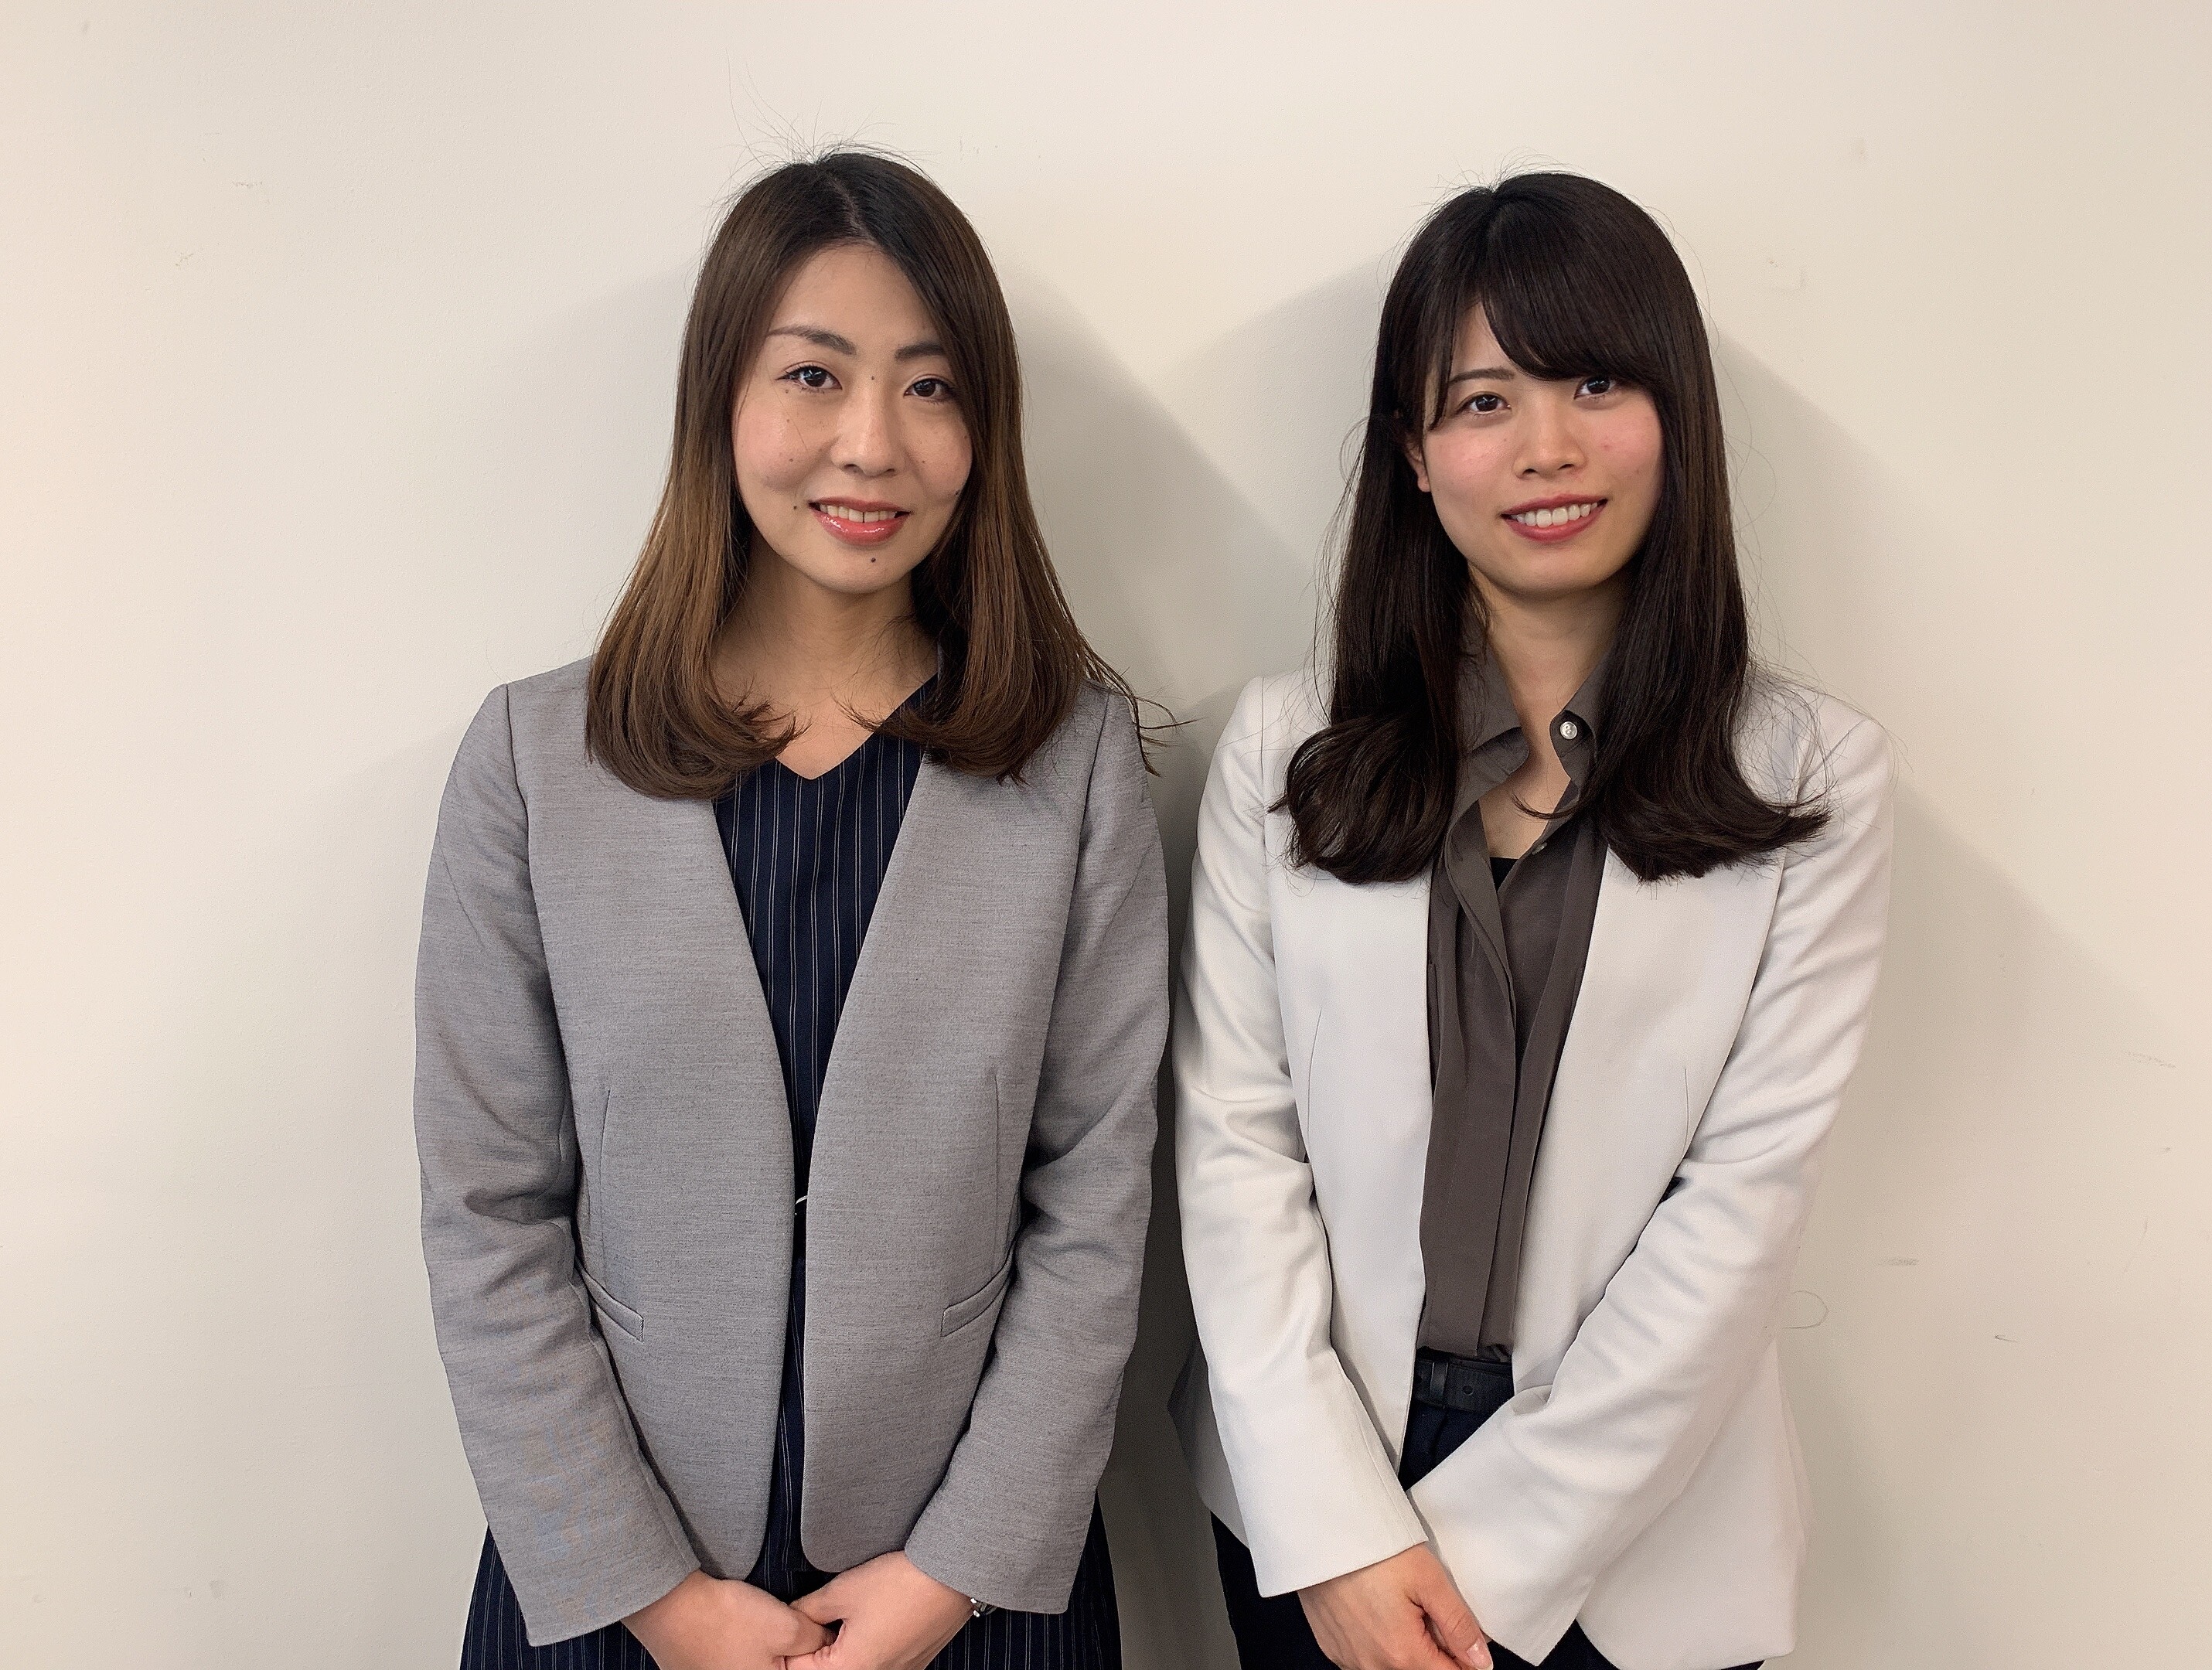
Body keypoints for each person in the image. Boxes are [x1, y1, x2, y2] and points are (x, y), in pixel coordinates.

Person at [415, 151, 1164, 1670]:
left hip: (969, 1584)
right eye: (813, 374)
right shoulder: (535, 761)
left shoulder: (1073, 762)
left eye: (932, 387)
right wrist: (653, 1594)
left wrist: (952, 1574)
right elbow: (488, 1211)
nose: (870, 444)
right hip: (616, 1580)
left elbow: (1095, 1203)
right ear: (720, 400)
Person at [1171, 173, 1894, 1670]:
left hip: (1643, 1534)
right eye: (1483, 401)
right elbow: (1236, 1153)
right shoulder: (1283, 752)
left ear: (1675, 416)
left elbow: (1742, 1208)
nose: (1546, 446)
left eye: (1596, 383)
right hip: (1315, 1498)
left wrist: (1487, 1561)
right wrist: (1345, 1535)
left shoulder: (1812, 778)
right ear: (1415, 454)